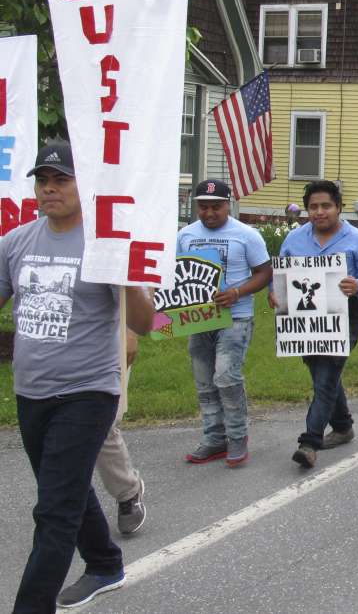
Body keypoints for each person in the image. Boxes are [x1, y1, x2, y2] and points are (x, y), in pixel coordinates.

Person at [2, 141, 157, 611]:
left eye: (61, 180)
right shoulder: (17, 241)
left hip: (87, 392)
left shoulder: (105, 244)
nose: (49, 190)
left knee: (53, 511)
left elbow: (145, 323)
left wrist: (129, 277)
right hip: (31, 392)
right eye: (43, 181)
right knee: (62, 489)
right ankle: (105, 562)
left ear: (83, 186)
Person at [276, 180, 358, 468]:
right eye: (313, 207)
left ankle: (309, 442)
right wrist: (275, 295)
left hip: (344, 317)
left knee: (326, 375)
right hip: (304, 320)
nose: (319, 212)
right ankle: (343, 425)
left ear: (339, 208)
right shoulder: (295, 240)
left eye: (326, 206)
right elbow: (280, 276)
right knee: (321, 375)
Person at [179, 179, 273, 468]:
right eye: (203, 207)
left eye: (215, 207)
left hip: (236, 316)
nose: (209, 213)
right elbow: (175, 275)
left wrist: (237, 292)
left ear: (228, 204)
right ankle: (213, 438)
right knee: (204, 380)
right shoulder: (185, 235)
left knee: (226, 376)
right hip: (197, 317)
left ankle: (236, 437)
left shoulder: (246, 235)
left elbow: (264, 272)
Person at [96, 330, 147, 536]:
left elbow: (137, 297)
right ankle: (65, 504)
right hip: (54, 348)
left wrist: (131, 332)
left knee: (103, 423)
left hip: (106, 341)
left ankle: (127, 493)